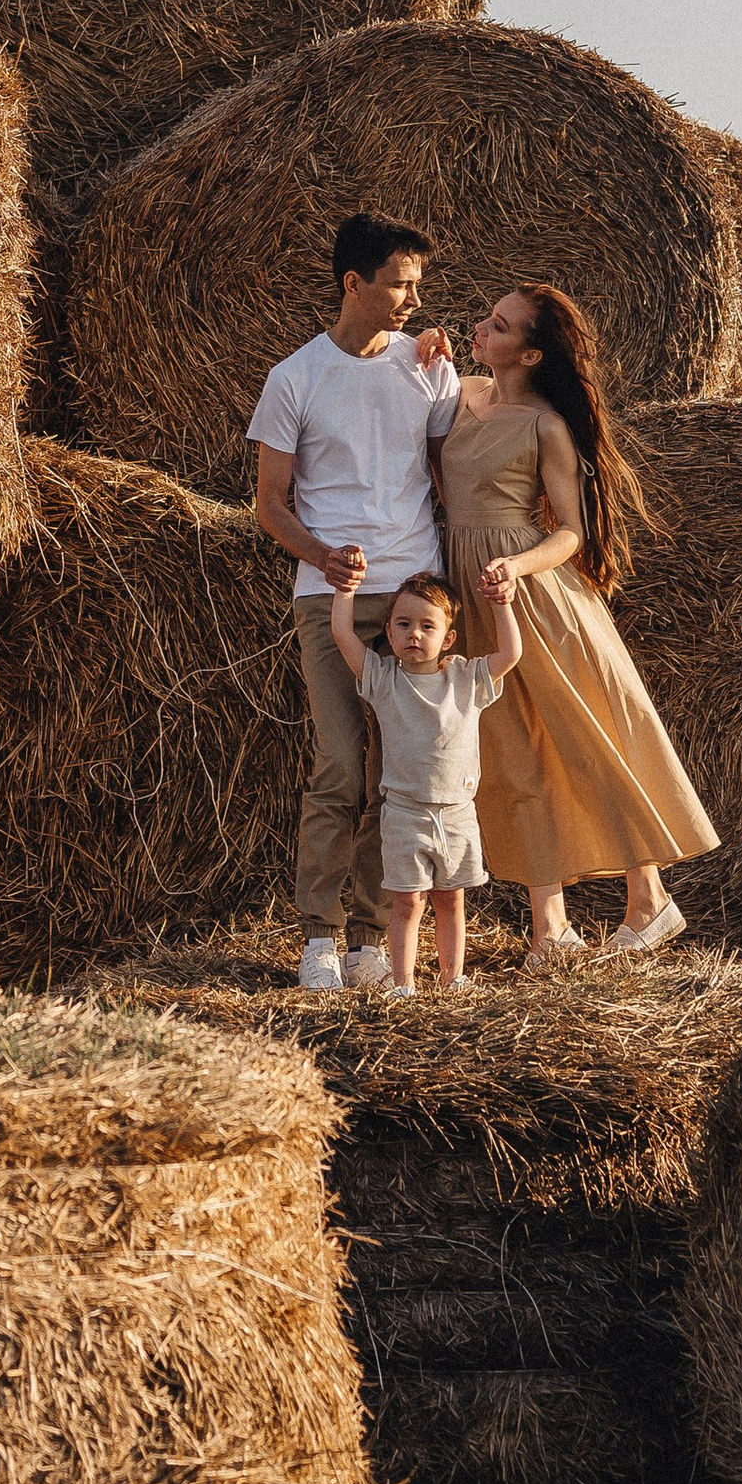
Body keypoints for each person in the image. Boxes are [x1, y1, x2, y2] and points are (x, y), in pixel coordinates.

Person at [436, 280, 718, 962]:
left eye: (500, 325)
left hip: (531, 592)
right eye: (489, 316)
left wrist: (520, 568)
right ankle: (550, 929)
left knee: (586, 738)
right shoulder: (462, 394)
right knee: (515, 758)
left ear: (530, 355)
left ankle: (649, 900)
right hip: (472, 591)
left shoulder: (547, 426)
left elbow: (572, 533)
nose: (482, 327)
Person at [248, 213, 461, 993]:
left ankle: (374, 936)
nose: (412, 298)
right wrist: (322, 557)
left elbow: (451, 468)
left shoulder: (426, 367)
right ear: (354, 283)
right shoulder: (294, 378)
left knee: (397, 775)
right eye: (401, 283)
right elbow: (270, 504)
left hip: (413, 596)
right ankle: (319, 938)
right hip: (329, 600)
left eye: (417, 286)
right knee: (339, 765)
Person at [328, 562, 524, 993]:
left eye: (426, 626)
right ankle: (404, 984)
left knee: (452, 901)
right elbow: (343, 636)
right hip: (404, 814)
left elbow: (510, 655)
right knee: (407, 903)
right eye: (403, 625)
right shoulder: (383, 678)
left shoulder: (466, 678)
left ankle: (454, 978)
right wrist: (345, 591)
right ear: (390, 632)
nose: (414, 634)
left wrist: (502, 603)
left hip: (457, 813)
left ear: (447, 638)